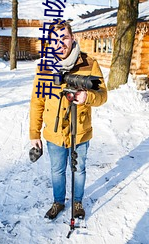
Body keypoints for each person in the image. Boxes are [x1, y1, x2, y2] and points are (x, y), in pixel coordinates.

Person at [29, 21, 107, 220]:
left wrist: (87, 97)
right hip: (54, 133)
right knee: (57, 170)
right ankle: (58, 202)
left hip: (80, 130)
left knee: (79, 168)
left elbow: (102, 95)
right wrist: (34, 134)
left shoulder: (89, 63)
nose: (60, 43)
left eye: (63, 37)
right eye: (55, 39)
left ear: (72, 38)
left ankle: (78, 202)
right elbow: (37, 102)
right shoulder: (45, 68)